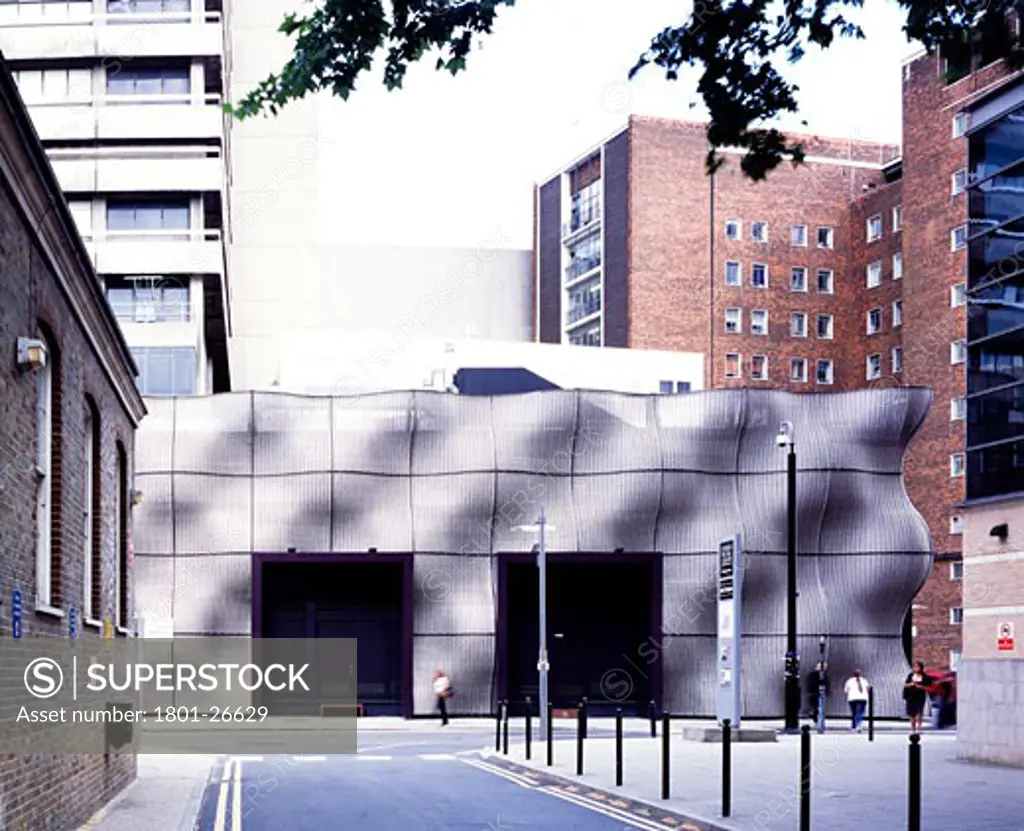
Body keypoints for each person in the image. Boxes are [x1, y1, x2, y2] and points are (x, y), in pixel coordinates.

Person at [903, 661, 932, 735]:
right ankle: (913, 729)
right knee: (911, 713)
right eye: (915, 667)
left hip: (920, 696)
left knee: (919, 712)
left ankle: (919, 728)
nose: (916, 668)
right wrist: (911, 684)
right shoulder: (910, 675)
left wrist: (920, 686)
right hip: (910, 696)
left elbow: (928, 686)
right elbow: (906, 685)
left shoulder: (925, 676)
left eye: (917, 666)